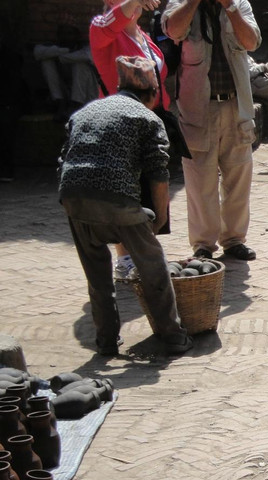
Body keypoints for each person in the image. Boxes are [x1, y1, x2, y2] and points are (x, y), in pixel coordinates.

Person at [59, 56, 192, 356]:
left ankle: (106, 341)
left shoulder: (85, 112)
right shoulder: (148, 119)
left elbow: (64, 157)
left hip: (73, 196)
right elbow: (158, 174)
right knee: (153, 268)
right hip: (118, 198)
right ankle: (173, 337)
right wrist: (158, 220)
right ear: (154, 94)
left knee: (97, 276)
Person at [161, 0, 260, 260]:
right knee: (199, 181)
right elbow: (173, 30)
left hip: (236, 107)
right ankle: (203, 244)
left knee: (238, 178)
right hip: (197, 111)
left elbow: (251, 42)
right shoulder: (181, 4)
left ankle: (234, 240)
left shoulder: (239, 4)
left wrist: (230, 8)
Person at [90, 0, 173, 281]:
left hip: (150, 120)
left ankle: (144, 251)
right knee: (125, 190)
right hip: (120, 123)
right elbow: (110, 23)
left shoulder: (143, 36)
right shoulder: (102, 30)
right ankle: (125, 259)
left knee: (149, 188)